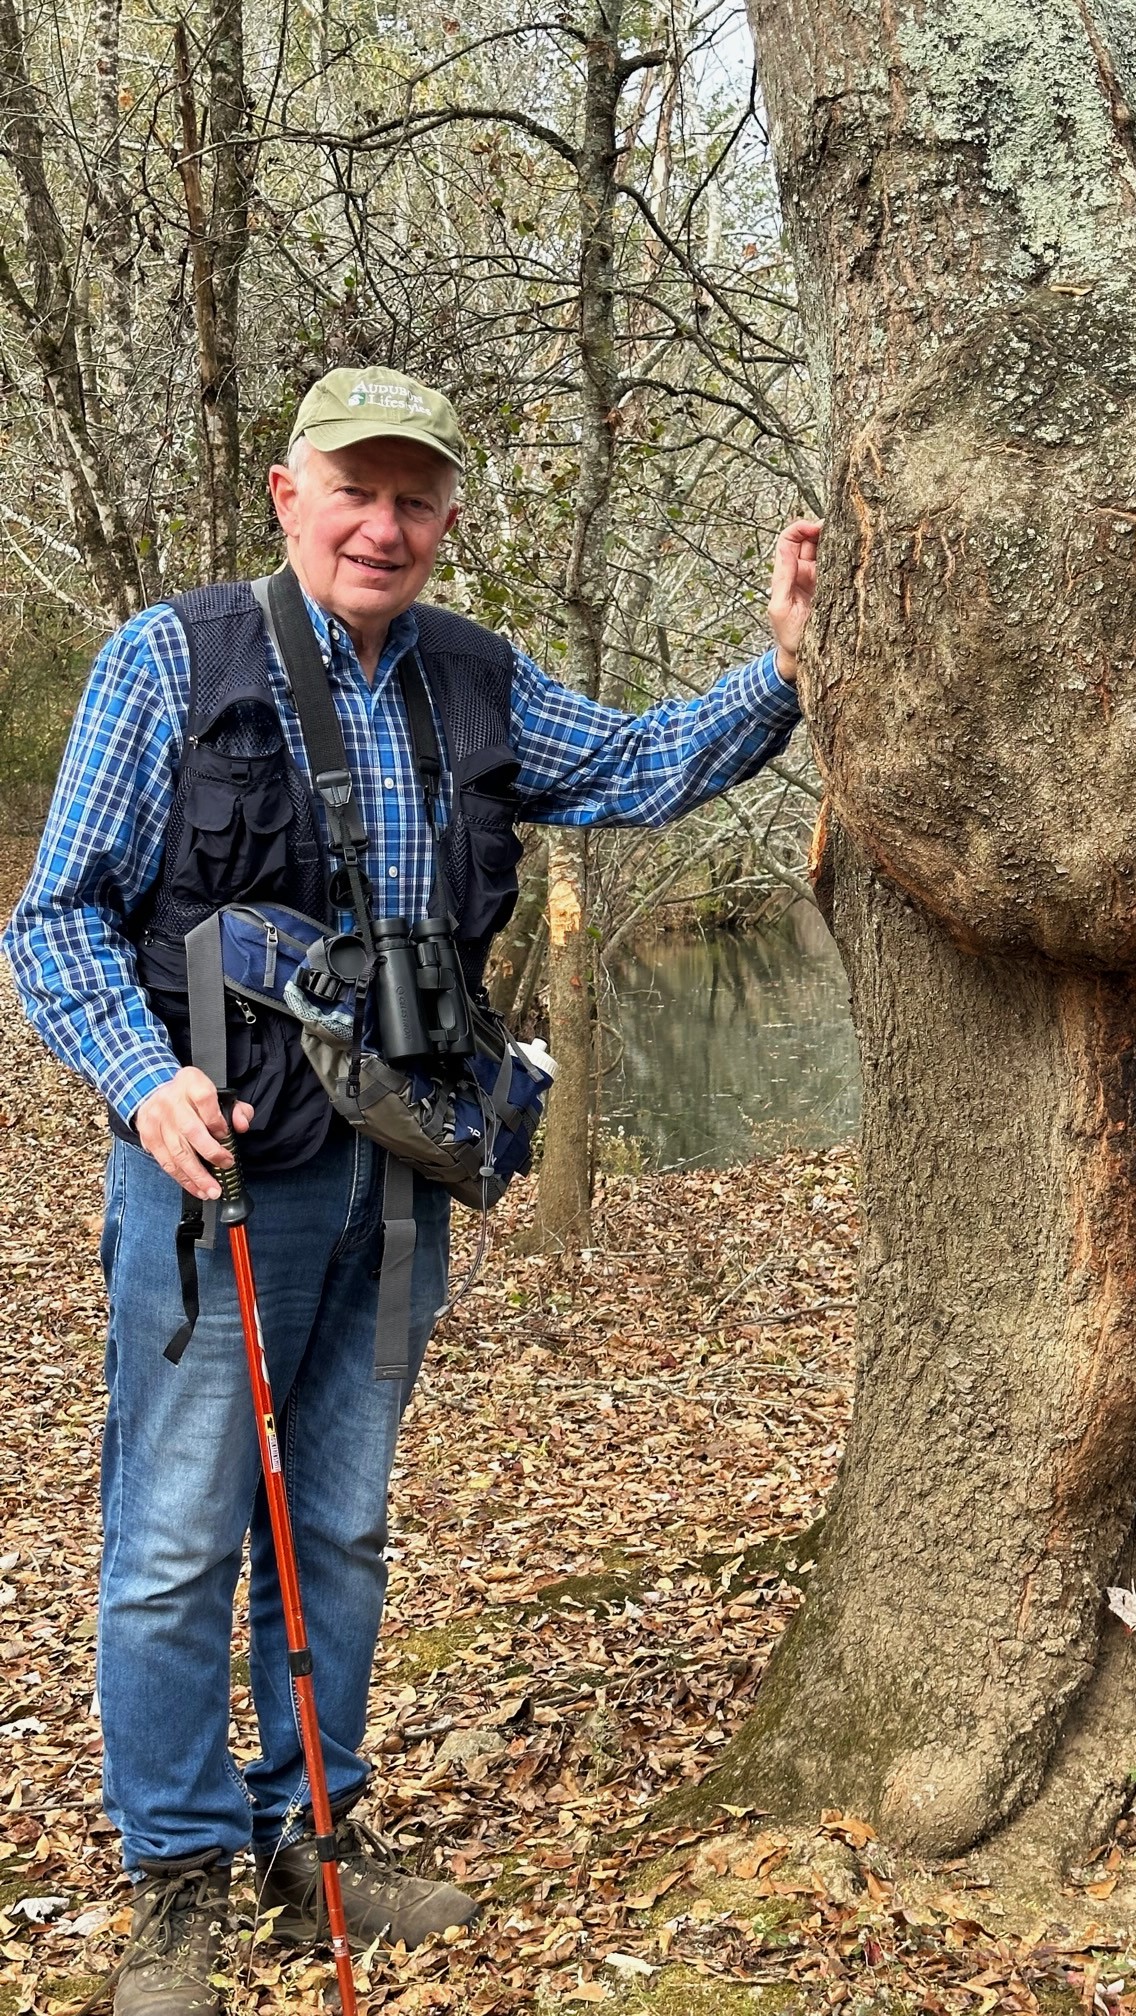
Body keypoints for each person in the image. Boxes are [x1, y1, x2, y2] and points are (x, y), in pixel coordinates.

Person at [4, 365, 822, 2016]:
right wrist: (145, 1081)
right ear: (289, 494)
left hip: (397, 1180)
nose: (384, 524)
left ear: (446, 520)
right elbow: (55, 920)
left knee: (343, 1525)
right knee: (174, 1540)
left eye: (416, 498)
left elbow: (647, 761)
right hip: (213, 1175)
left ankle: (312, 1835)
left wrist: (791, 666)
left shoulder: (479, 680)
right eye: (354, 489)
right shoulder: (170, 662)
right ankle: (175, 1878)